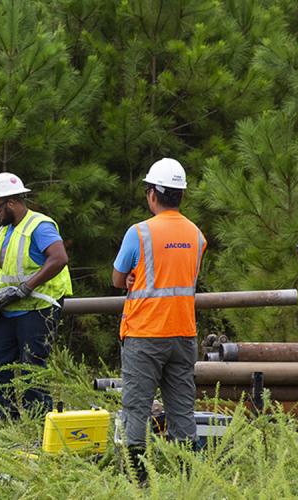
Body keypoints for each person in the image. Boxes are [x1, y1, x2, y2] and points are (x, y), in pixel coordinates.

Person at [112, 158, 205, 483]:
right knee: (182, 410)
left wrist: (131, 278)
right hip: (183, 334)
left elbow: (117, 277)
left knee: (136, 408)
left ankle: (138, 482)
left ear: (153, 194)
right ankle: (186, 481)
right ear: (180, 194)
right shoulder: (196, 235)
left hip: (145, 334)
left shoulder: (139, 233)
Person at [0, 172, 72, 420]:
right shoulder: (3, 233)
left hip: (38, 309)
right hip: (8, 310)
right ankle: (7, 423)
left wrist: (27, 286)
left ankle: (39, 424)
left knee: (32, 370)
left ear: (12, 203)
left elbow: (59, 258)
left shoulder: (39, 226)